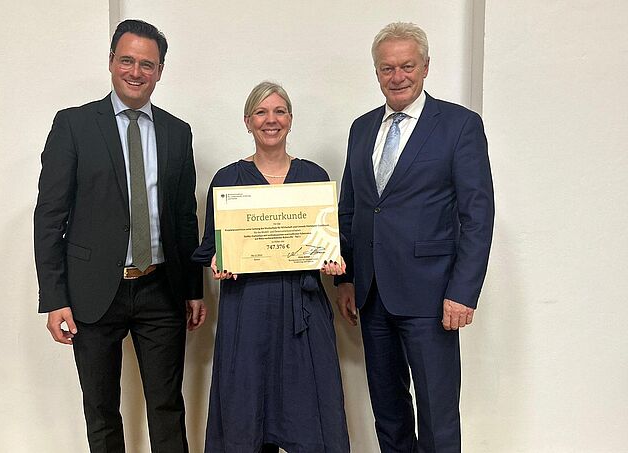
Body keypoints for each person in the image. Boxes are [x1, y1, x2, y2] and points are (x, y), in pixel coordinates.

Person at [34, 19, 206, 452]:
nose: (136, 72)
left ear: (160, 70)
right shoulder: (74, 125)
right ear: (111, 61)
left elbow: (185, 218)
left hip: (161, 290)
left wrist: (193, 289)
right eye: (127, 60)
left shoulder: (177, 132)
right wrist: (54, 297)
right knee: (101, 412)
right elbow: (50, 216)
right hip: (93, 292)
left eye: (147, 64)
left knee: (167, 407)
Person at [335, 22, 495, 452]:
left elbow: (478, 216)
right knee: (388, 413)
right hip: (372, 295)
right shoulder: (361, 128)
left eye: (407, 66)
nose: (398, 76)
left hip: (433, 296)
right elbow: (351, 207)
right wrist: (346, 279)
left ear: (426, 67)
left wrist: (463, 291)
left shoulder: (459, 125)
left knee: (437, 415)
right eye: (387, 68)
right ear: (376, 72)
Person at [192, 81, 350, 453]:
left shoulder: (314, 177)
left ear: (290, 119)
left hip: (304, 312)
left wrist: (335, 260)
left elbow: (331, 240)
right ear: (247, 121)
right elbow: (211, 246)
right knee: (246, 411)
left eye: (279, 111)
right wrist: (218, 261)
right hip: (247, 311)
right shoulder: (228, 180)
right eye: (261, 112)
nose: (271, 120)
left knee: (311, 412)